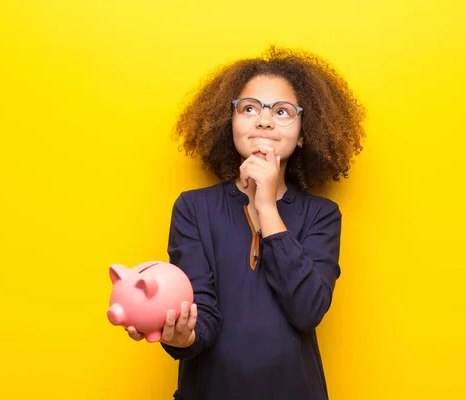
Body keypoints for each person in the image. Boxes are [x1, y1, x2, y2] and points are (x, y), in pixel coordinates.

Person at [126, 45, 366, 400]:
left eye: (282, 111)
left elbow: (308, 310)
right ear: (231, 123)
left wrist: (266, 206)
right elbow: (201, 313)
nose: (264, 120)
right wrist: (183, 336)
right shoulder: (194, 209)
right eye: (249, 108)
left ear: (303, 134)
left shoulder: (322, 215)